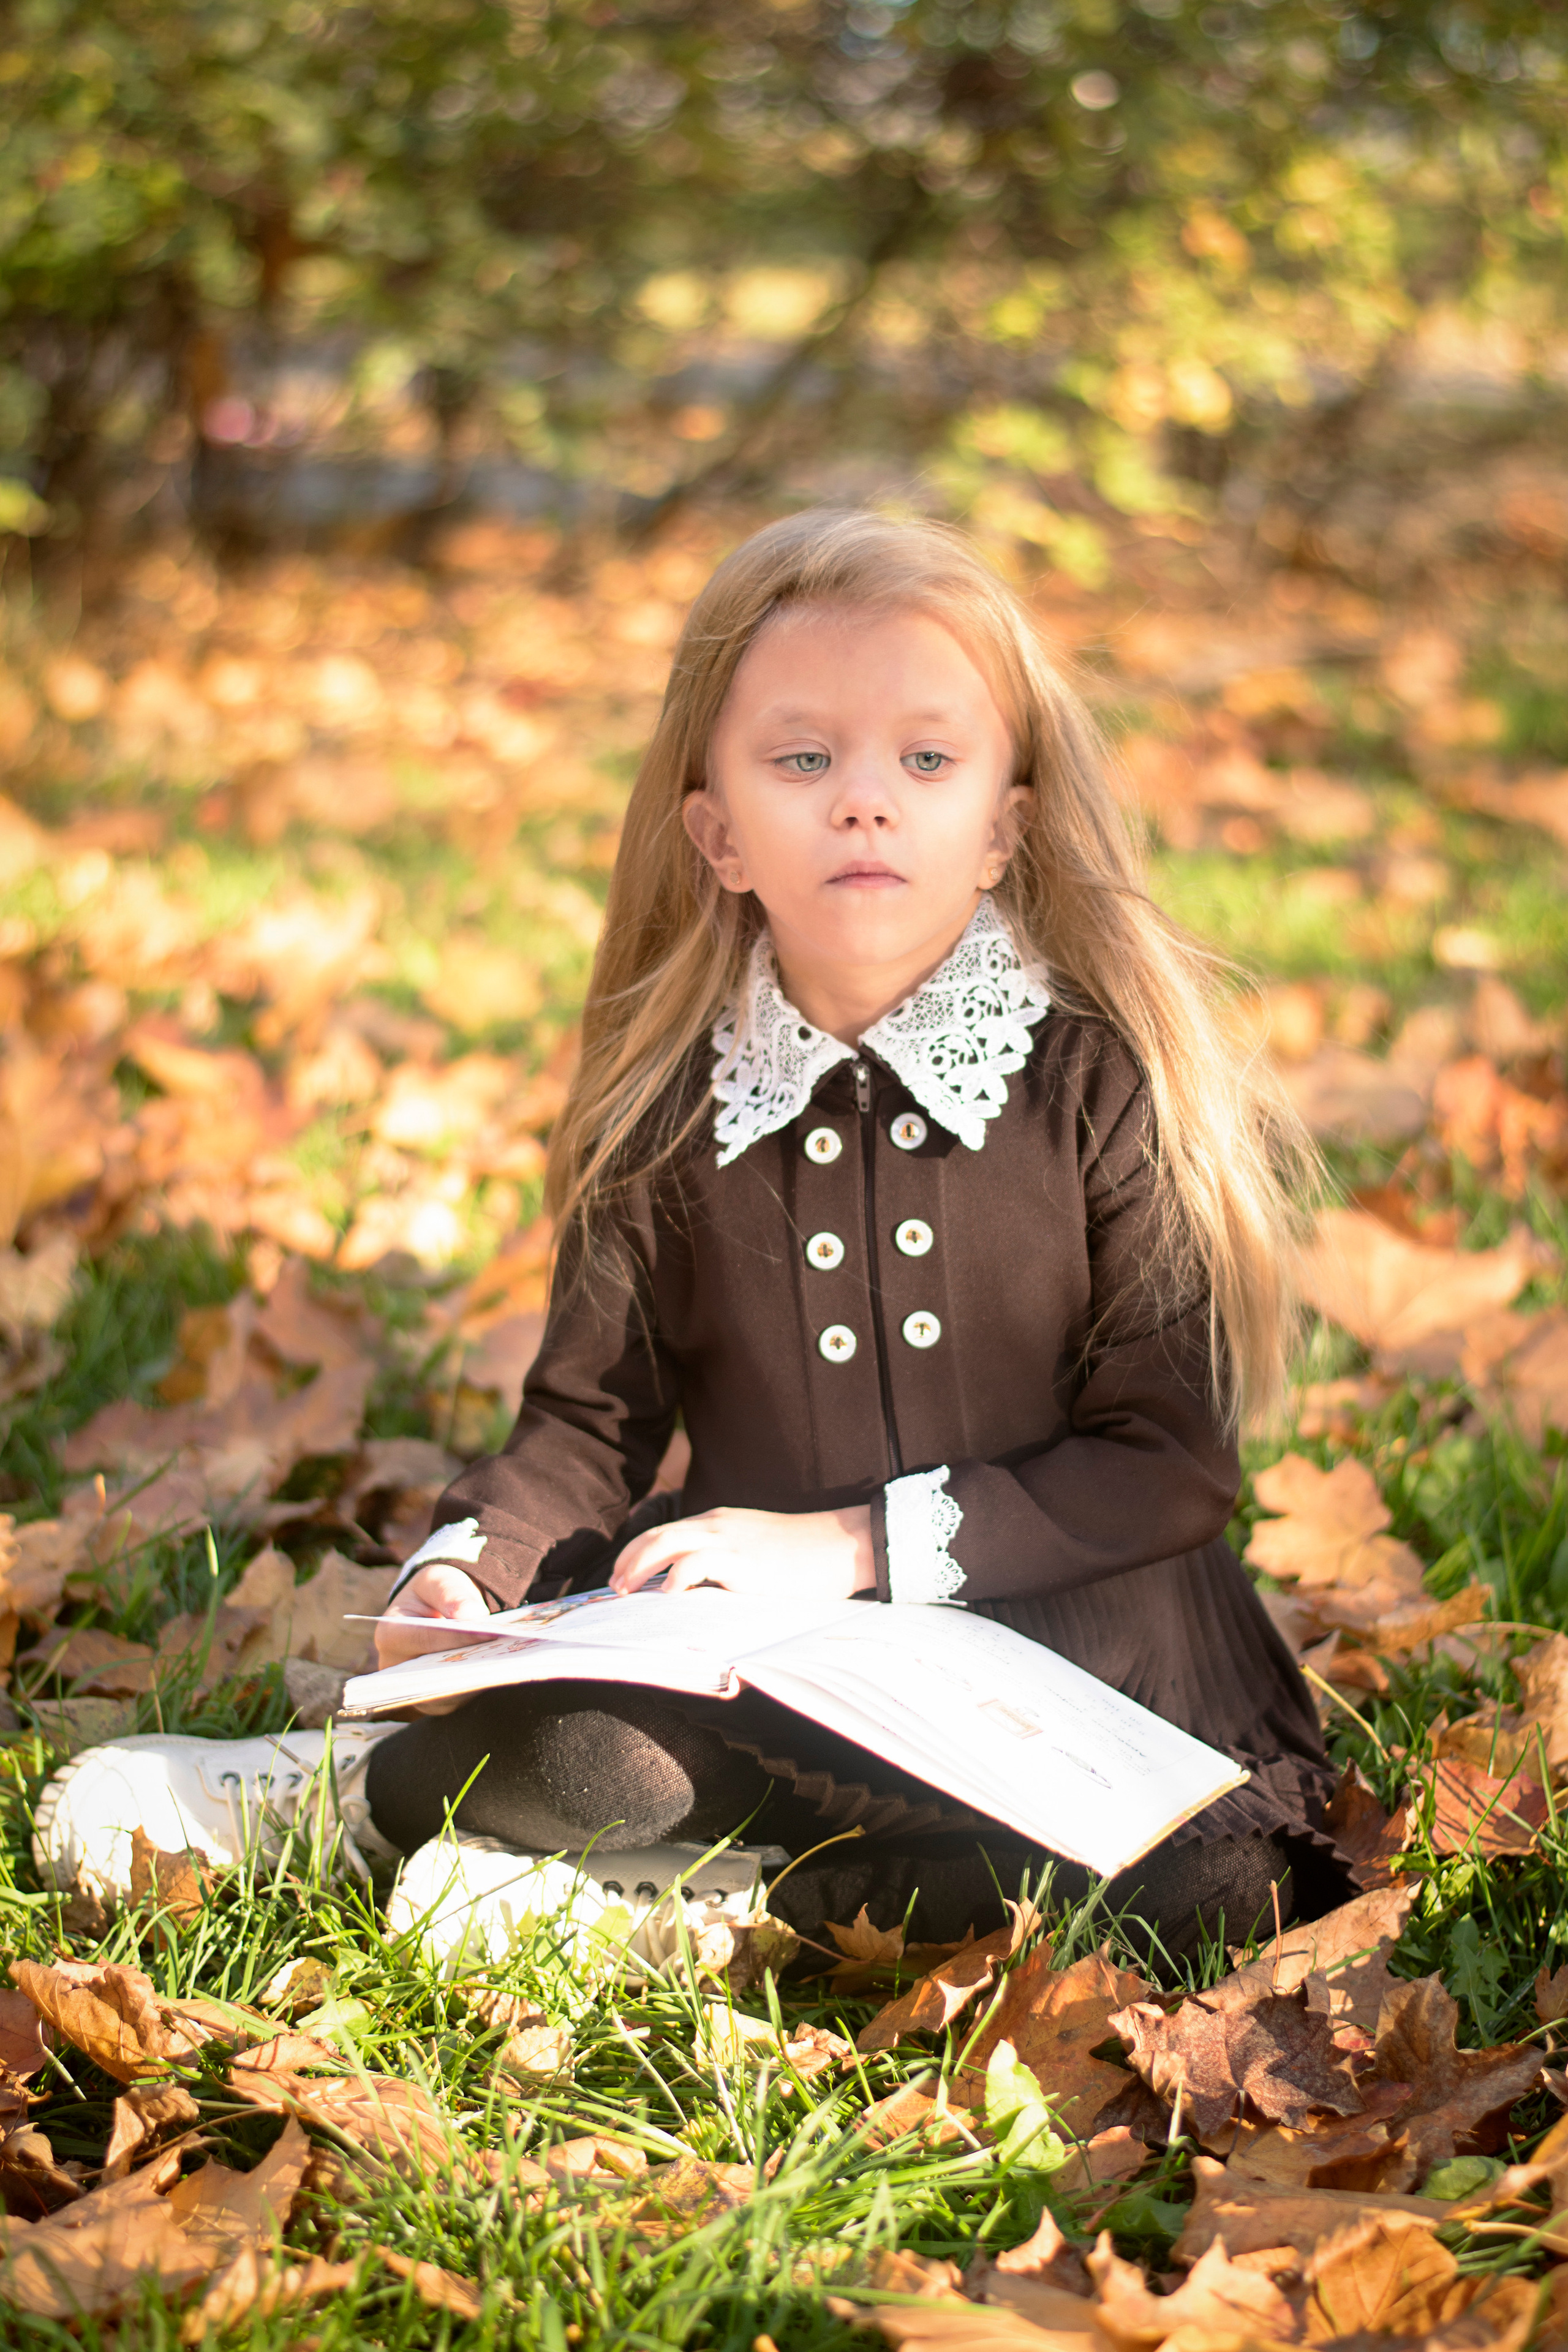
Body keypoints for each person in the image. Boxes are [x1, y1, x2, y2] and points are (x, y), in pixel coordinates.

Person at [34, 511, 1346, 1968]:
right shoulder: (676, 1111)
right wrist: (468, 1568)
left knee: (1211, 1894)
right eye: (802, 761)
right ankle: (354, 1799)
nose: (864, 802)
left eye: (926, 760)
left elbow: (1166, 1461)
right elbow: (588, 1425)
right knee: (561, 1764)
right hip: (776, 1666)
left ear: (1004, 826)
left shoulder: (1102, 1085)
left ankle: (694, 1920)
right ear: (715, 830)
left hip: (1094, 1668)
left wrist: (848, 1545)